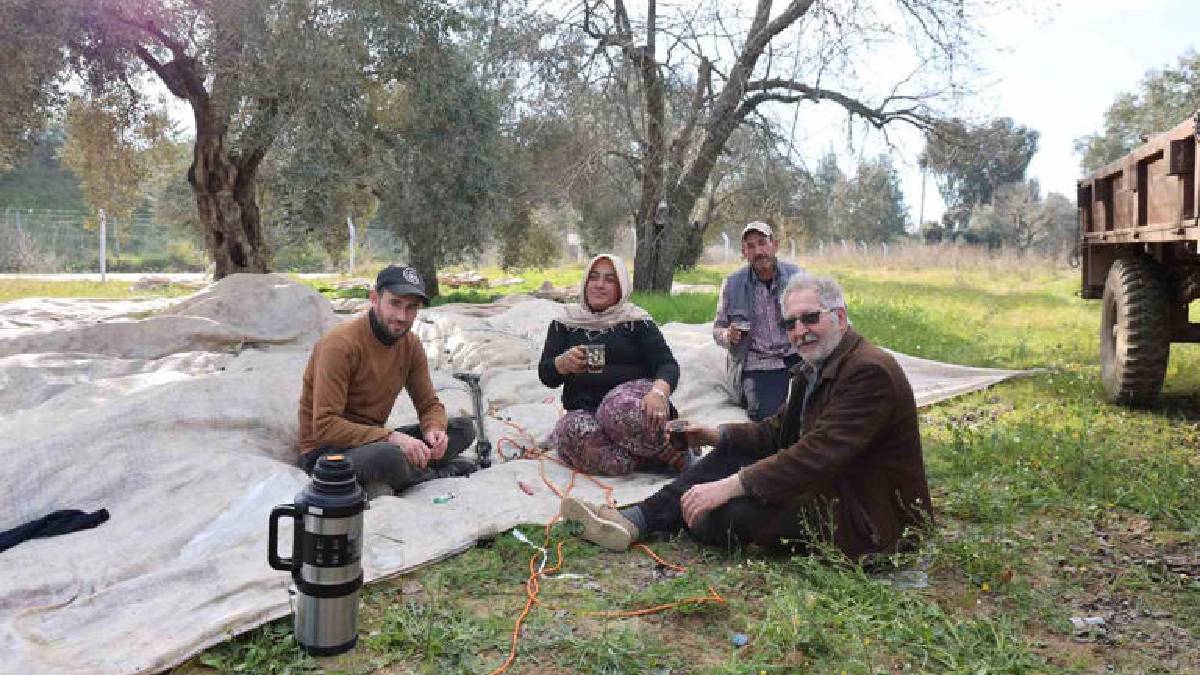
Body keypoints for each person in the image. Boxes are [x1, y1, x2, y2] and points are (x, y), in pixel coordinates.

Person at [561, 273, 933, 559]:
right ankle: (635, 519)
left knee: (717, 517)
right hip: (829, 487)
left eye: (809, 319)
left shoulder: (869, 372)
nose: (800, 332)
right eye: (790, 324)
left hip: (865, 516)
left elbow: (814, 454)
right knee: (729, 453)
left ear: (839, 316)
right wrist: (715, 435)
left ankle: (652, 517)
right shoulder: (817, 365)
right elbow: (778, 433)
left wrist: (730, 485)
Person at [297, 265, 476, 496]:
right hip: (327, 454)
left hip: (374, 439)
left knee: (463, 429)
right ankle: (435, 472)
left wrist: (435, 429)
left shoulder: (410, 344)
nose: (402, 317)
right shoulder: (340, 345)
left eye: (411, 308)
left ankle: (411, 468)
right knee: (387, 456)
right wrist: (392, 437)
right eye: (395, 303)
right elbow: (325, 426)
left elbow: (429, 404)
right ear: (375, 298)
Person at [538, 254, 689, 476]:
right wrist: (561, 364)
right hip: (587, 410)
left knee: (615, 409)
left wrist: (658, 393)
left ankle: (676, 448)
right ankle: (644, 460)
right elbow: (546, 374)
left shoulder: (636, 321)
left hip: (633, 406)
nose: (599, 285)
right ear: (585, 283)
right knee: (571, 430)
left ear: (621, 287)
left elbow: (667, 364)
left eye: (609, 279)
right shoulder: (565, 323)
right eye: (594, 278)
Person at [712, 221, 804, 420]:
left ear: (775, 245)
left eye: (762, 243)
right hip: (758, 363)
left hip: (797, 355)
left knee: (816, 405)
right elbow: (717, 329)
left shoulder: (798, 277)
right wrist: (727, 335)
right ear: (744, 252)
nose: (758, 251)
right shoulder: (732, 284)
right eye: (751, 246)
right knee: (771, 419)